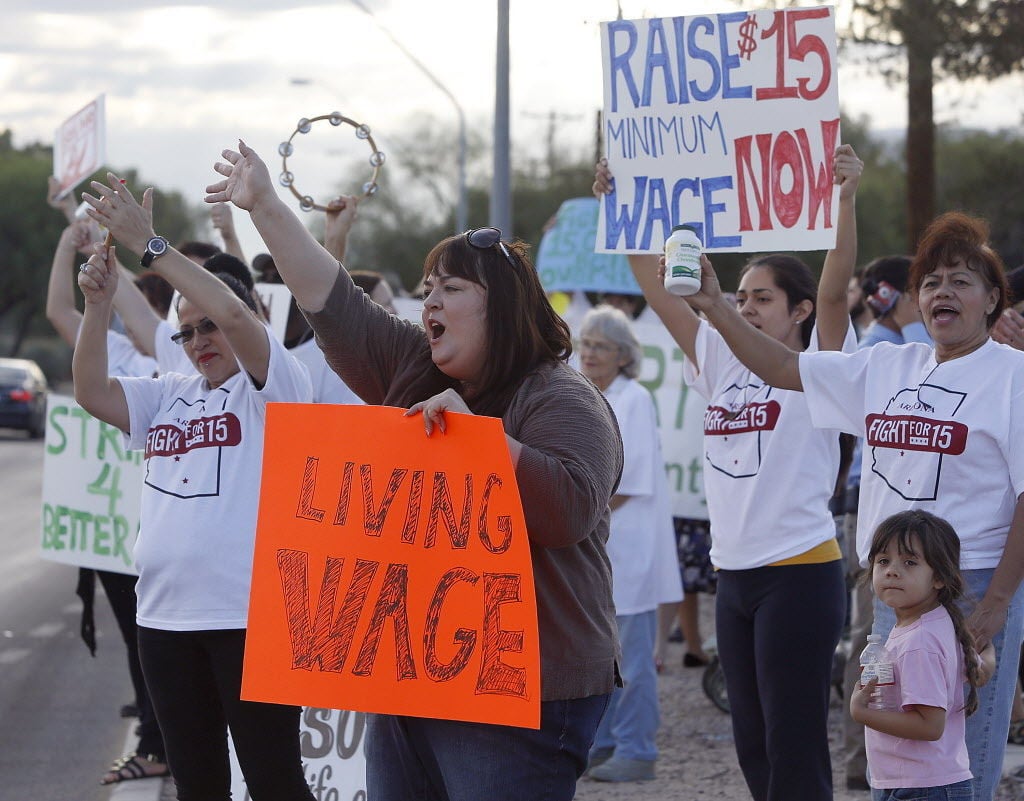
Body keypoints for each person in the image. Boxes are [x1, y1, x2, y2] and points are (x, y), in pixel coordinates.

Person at [206, 140, 624, 801]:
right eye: (426, 289)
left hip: (524, 695)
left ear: (505, 307)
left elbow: (568, 510)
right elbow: (329, 297)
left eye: (451, 289)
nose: (429, 303)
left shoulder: (564, 398)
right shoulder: (413, 366)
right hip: (412, 680)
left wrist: (475, 441)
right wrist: (264, 205)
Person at [679, 210, 1024, 801]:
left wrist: (995, 605)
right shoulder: (888, 365)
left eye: (962, 281)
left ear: (993, 300)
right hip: (890, 590)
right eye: (932, 282)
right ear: (916, 300)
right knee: (898, 757)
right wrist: (713, 305)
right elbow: (785, 367)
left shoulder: (1013, 376)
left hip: (969, 589)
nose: (944, 291)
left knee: (959, 763)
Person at [595, 144, 863, 801]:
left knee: (793, 746)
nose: (745, 305)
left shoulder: (823, 361)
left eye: (762, 297)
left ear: (798, 311)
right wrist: (618, 204)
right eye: (740, 294)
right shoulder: (715, 351)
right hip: (734, 575)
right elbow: (658, 291)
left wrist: (843, 198)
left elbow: (834, 283)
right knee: (752, 746)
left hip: (800, 570)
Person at [75, 172, 315, 801]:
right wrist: (98, 308)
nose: (197, 341)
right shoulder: (169, 394)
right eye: (185, 331)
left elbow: (234, 310)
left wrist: (153, 247)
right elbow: (93, 393)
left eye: (206, 327)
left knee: (274, 783)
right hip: (163, 619)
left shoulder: (275, 383)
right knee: (198, 787)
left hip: (248, 619)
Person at [44, 216, 168, 784]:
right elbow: (60, 315)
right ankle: (154, 734)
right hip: (113, 529)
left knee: (159, 640)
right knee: (138, 640)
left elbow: (148, 323)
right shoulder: (114, 354)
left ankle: (158, 738)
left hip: (156, 527)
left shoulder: (172, 364)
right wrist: (71, 247)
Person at [576, 305, 682, 783]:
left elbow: (626, 478)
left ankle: (638, 749)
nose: (590, 353)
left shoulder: (633, 398)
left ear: (624, 356)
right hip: (601, 545)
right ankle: (604, 744)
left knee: (632, 658)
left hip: (627, 543)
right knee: (602, 655)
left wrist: (575, 518)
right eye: (586, 343)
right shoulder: (586, 395)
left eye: (601, 346)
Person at [842, 253, 934, 790]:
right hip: (877, 511)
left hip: (907, 516)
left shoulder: (903, 347)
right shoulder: (883, 350)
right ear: (896, 296)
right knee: (876, 632)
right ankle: (866, 758)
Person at [851, 510, 994, 801]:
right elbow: (978, 670)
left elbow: (930, 726)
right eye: (883, 561)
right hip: (927, 782)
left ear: (939, 578)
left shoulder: (919, 642)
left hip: (920, 787)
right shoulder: (937, 622)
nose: (892, 571)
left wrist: (862, 713)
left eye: (910, 562)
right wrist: (988, 655)